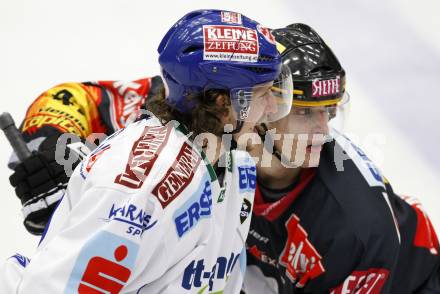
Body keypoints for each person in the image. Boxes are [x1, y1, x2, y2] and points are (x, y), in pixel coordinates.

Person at [1, 9, 294, 293]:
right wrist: (51, 144)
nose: (272, 108)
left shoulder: (236, 162)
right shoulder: (146, 189)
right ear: (221, 102)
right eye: (263, 93)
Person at [242, 23, 440, 293]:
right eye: (304, 113)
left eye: (329, 111)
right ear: (262, 108)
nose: (323, 130)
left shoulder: (356, 227)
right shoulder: (222, 149)